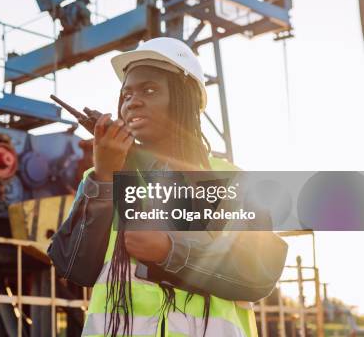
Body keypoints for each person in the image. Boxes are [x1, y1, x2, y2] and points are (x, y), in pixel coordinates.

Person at [63, 37, 287, 336]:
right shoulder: (103, 177)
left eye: (150, 90)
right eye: (126, 94)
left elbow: (259, 273)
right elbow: (77, 267)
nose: (133, 101)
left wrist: (170, 252)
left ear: (186, 99)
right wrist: (104, 177)